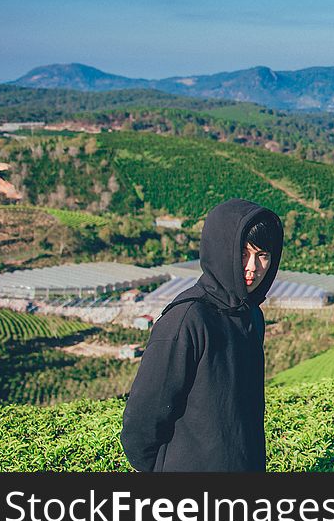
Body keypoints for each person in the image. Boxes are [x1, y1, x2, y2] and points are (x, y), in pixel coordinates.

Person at [121, 198, 284, 472]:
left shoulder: (252, 316)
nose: (253, 267)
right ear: (221, 250)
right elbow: (141, 421)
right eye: (243, 253)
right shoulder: (186, 319)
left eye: (262, 255)